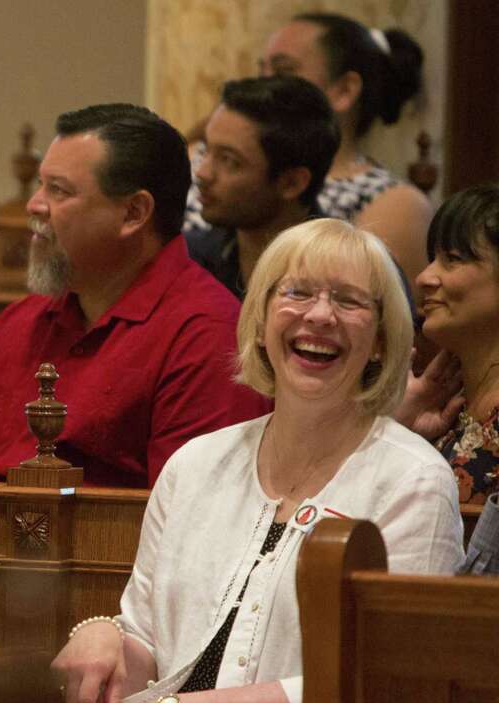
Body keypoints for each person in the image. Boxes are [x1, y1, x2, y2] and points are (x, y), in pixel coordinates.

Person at [0, 218, 462, 703]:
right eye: (297, 292)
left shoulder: (413, 480)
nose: (319, 316)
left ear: (383, 339)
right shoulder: (197, 464)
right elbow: (146, 639)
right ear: (261, 321)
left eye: (348, 300)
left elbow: (381, 687)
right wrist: (104, 639)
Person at [0, 103, 270, 488]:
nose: (34, 205)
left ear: (134, 213)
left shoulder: (208, 335)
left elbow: (192, 521)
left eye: (59, 190)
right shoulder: (17, 324)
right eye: (40, 183)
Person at [185, 12, 432, 287]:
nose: (203, 173)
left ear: (345, 90)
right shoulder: (197, 249)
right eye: (261, 69)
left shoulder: (375, 221)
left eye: (283, 71)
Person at [186, 75, 339, 300]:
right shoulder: (188, 259)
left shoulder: (352, 275)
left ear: (291, 183)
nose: (202, 173)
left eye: (229, 160)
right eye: (205, 150)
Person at [398, 184, 499, 504]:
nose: (424, 277)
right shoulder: (444, 410)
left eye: (452, 259)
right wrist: (397, 429)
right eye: (433, 259)